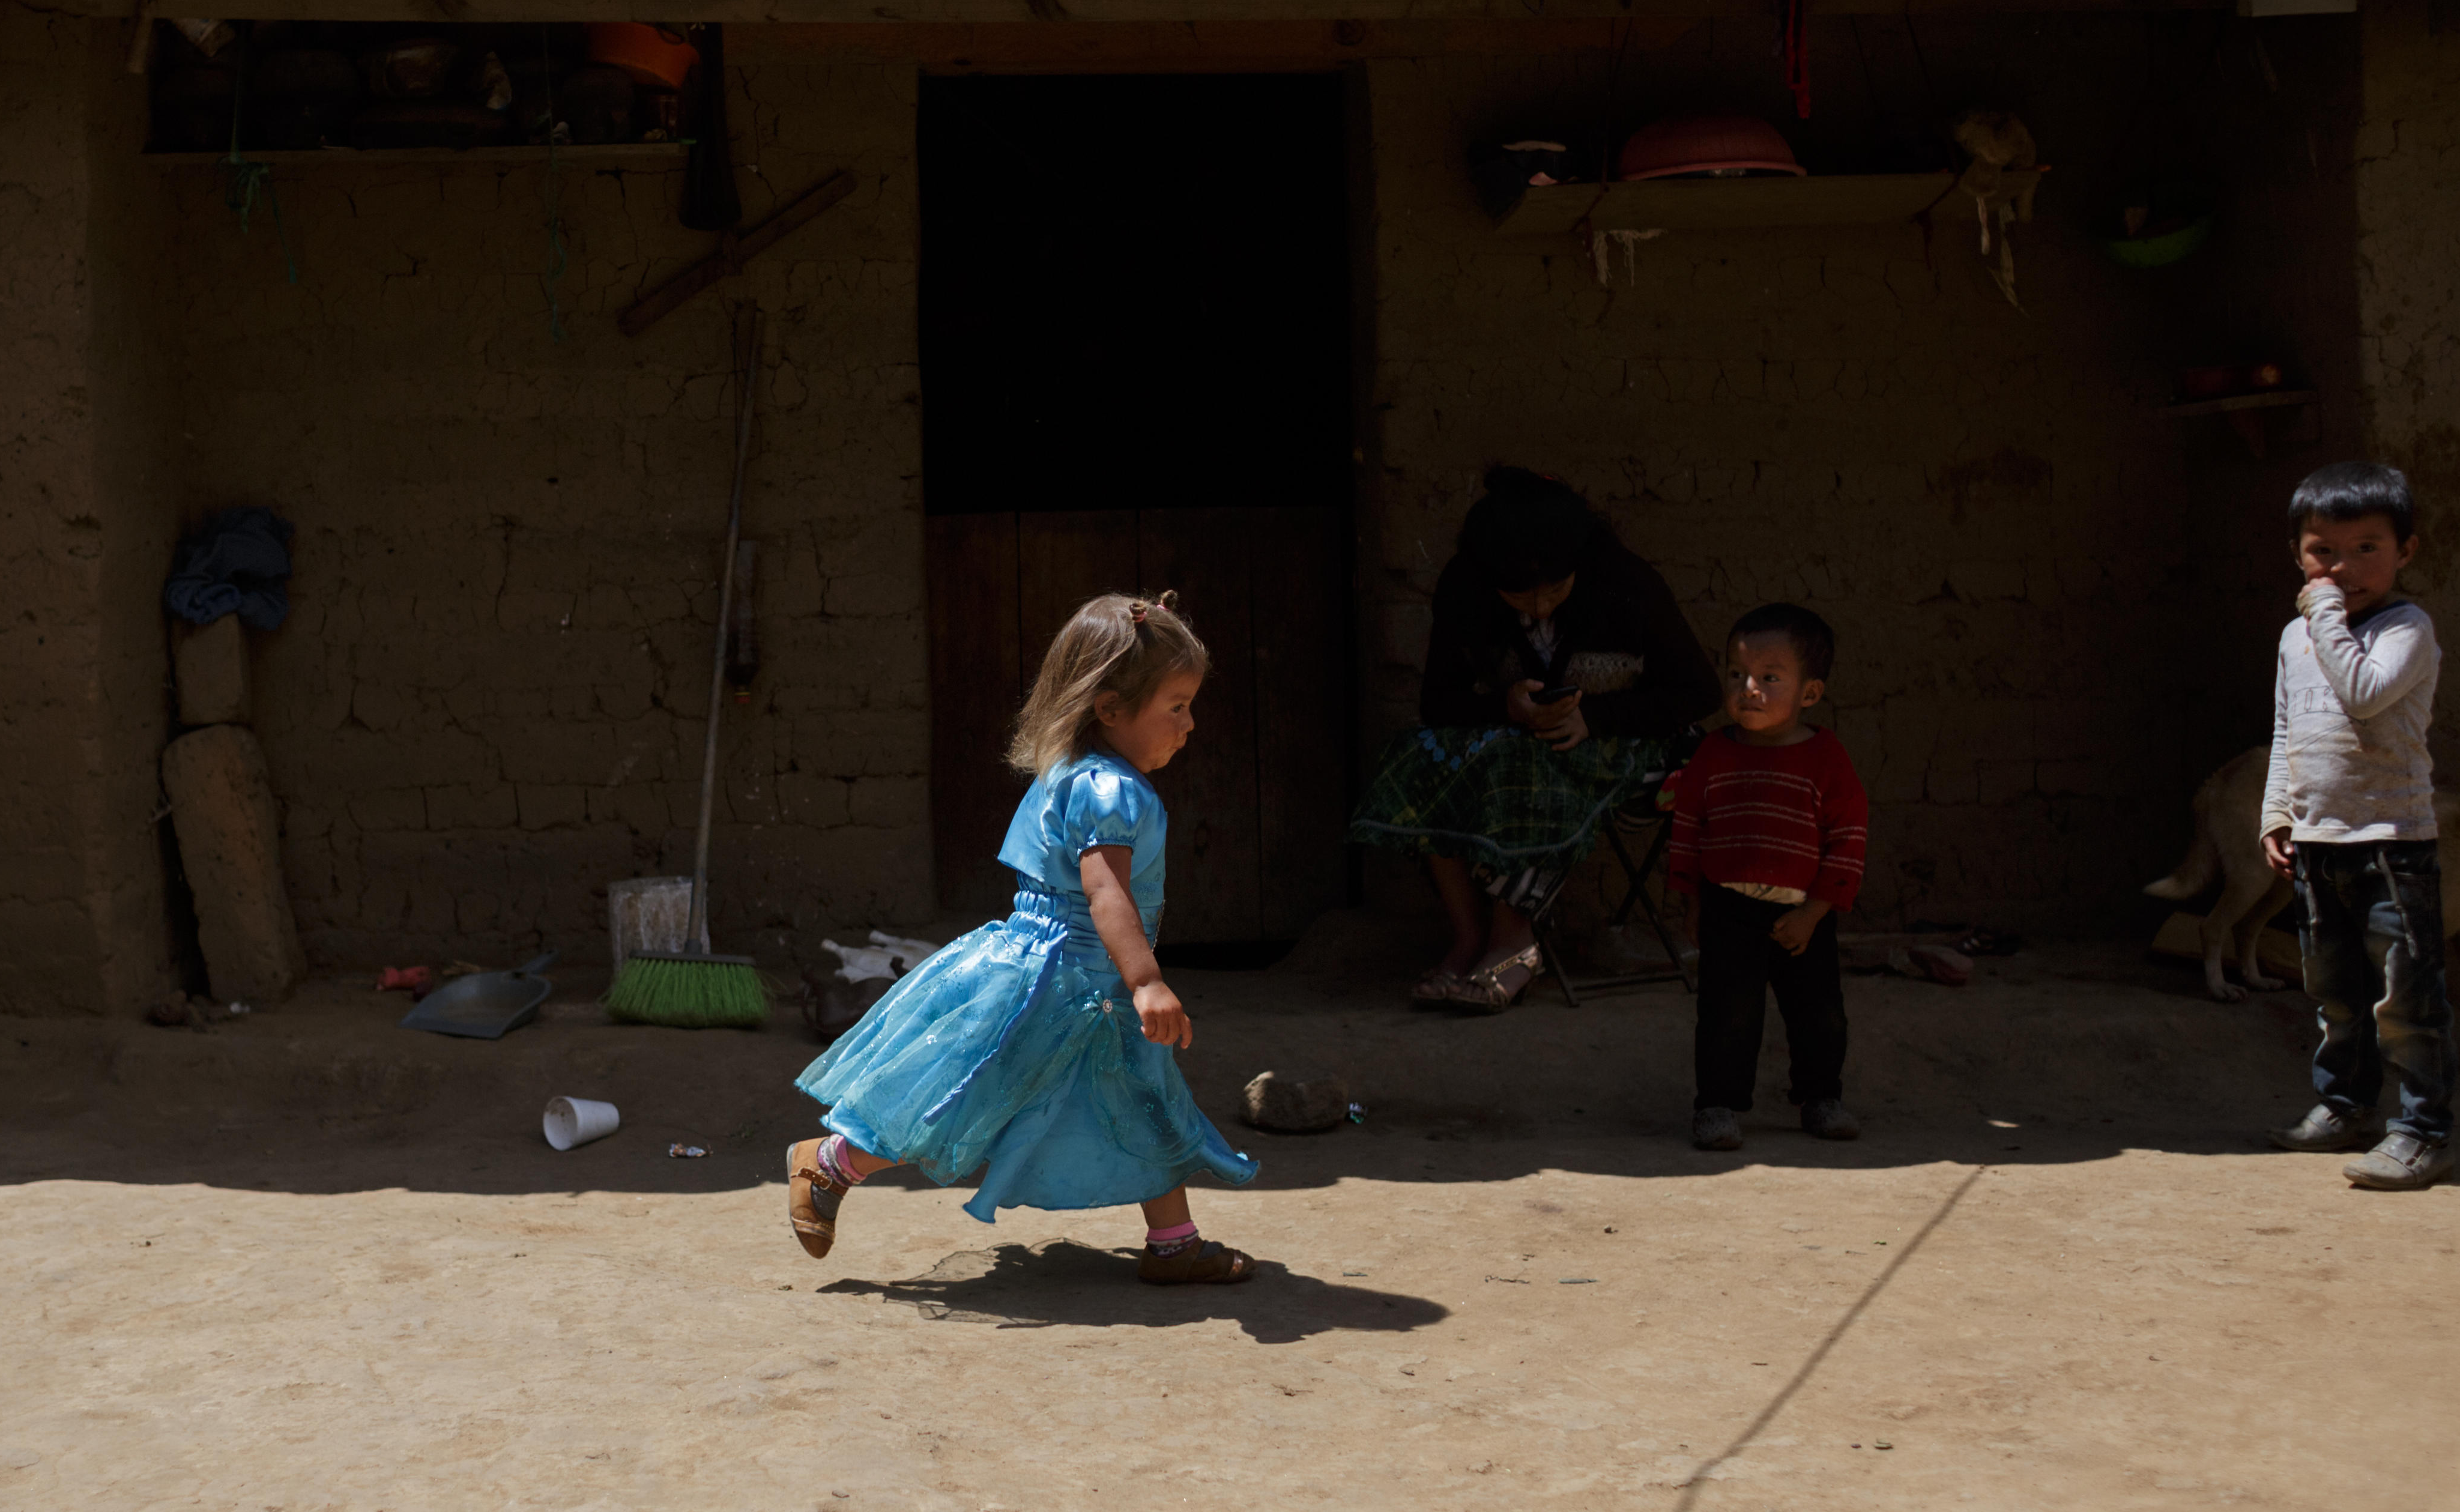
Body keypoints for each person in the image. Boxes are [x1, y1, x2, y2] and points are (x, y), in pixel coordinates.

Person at [785, 591, 1259, 1281]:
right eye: (1176, 706)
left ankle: (1174, 1243)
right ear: (1111, 709)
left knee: (1142, 1094)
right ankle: (827, 1162)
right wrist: (1148, 980)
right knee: (981, 1095)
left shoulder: (1070, 771)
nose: (1190, 725)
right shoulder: (1109, 792)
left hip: (1071, 977)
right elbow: (1106, 894)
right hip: (1065, 980)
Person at [1350, 467, 1720, 1011]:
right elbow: (1440, 703)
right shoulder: (1465, 590)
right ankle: (1470, 937)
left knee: (1522, 762)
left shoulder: (1628, 585)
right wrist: (1505, 705)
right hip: (1519, 739)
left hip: (1642, 747)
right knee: (1420, 754)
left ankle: (1514, 942)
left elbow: (1699, 691)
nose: (1541, 607)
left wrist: (1596, 715)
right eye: (1521, 597)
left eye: (1554, 591)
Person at [2258, 462, 2452, 1190]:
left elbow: (2365, 696)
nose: (2344, 567)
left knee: (2406, 998)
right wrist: (2278, 811)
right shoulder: (2295, 637)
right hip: (2318, 844)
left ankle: (2424, 1133)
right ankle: (2346, 1108)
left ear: (2407, 551)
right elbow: (2286, 731)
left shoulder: (2406, 628)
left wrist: (2327, 616)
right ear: (2298, 555)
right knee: (2334, 992)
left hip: (2392, 845)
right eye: (2323, 552)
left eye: (2367, 548)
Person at [1673, 603, 1870, 1152]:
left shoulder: (1827, 759)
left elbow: (1849, 838)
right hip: (1727, 907)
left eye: (1770, 678)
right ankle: (1716, 1106)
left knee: (1819, 1015)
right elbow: (1690, 828)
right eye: (1737, 676)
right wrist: (1692, 903)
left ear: (1810, 693)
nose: (1748, 689)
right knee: (1725, 1012)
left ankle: (1820, 1098)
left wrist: (1813, 913)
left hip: (1804, 911)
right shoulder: (1713, 753)